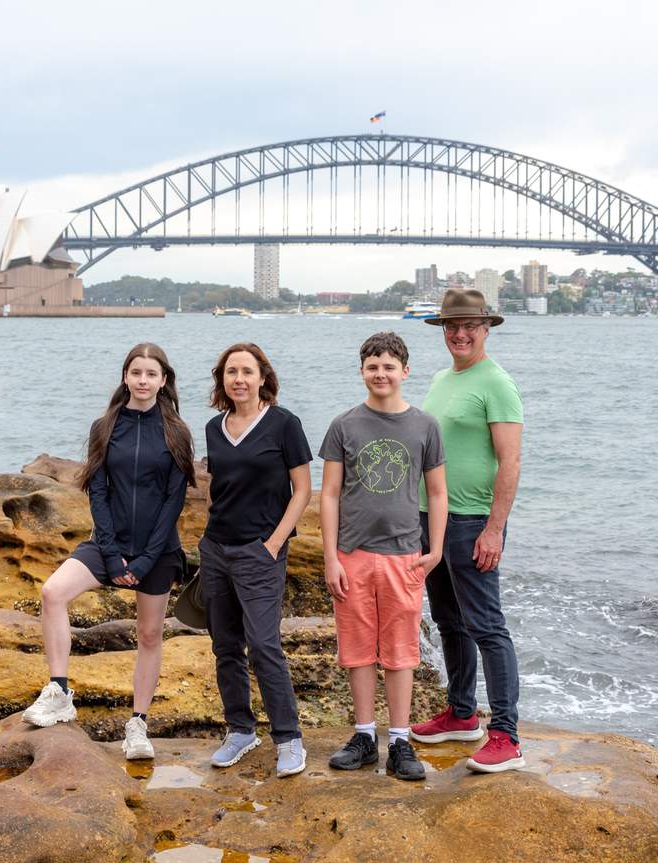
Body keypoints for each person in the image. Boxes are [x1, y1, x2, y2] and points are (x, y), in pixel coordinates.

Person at [22, 343, 196, 762]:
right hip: (108, 544)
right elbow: (97, 492)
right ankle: (60, 691)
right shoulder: (105, 426)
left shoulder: (177, 432)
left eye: (150, 374)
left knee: (150, 634)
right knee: (53, 593)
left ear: (163, 380)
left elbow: (173, 503)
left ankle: (137, 724)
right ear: (125, 377)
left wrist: (143, 561)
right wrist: (114, 556)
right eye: (135, 372)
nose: (142, 380)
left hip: (156, 550)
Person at [320, 332, 448, 781]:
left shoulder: (425, 426)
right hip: (352, 554)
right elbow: (330, 494)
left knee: (400, 651)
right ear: (362, 372)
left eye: (389, 366)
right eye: (372, 366)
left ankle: (399, 739)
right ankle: (362, 737)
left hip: (404, 556)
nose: (381, 374)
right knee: (356, 651)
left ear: (405, 371)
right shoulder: (344, 425)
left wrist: (434, 550)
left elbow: (436, 490)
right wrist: (330, 557)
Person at [410, 289, 526, 773]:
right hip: (430, 518)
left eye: (469, 326)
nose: (459, 334)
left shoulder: (496, 383)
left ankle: (506, 734)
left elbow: (510, 460)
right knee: (448, 620)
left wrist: (494, 528)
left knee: (487, 625)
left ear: (486, 329)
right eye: (451, 327)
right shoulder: (441, 378)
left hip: (472, 520)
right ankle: (461, 713)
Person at [201, 343, 313, 778]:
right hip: (216, 550)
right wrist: (208, 540)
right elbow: (218, 486)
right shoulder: (215, 427)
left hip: (261, 551)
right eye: (231, 372)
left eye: (247, 371)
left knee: (265, 646)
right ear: (222, 379)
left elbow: (302, 489)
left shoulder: (285, 424)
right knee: (225, 645)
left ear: (263, 377)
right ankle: (240, 730)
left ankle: (288, 738)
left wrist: (274, 543)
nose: (239, 379)